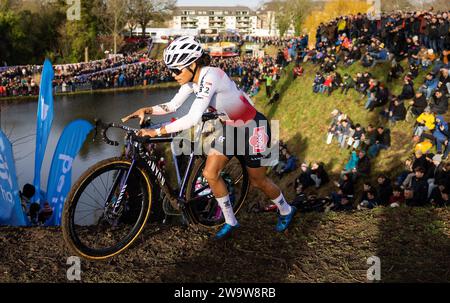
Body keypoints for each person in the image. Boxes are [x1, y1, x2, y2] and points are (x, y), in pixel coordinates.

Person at [121, 36, 297, 239]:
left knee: (258, 181)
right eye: (171, 70)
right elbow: (172, 106)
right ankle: (231, 221)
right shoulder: (193, 82)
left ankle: (286, 210)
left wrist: (156, 132)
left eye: (177, 70)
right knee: (210, 173)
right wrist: (147, 109)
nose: (173, 74)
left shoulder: (212, 75)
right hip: (231, 128)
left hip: (253, 128)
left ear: (193, 64)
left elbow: (192, 117)